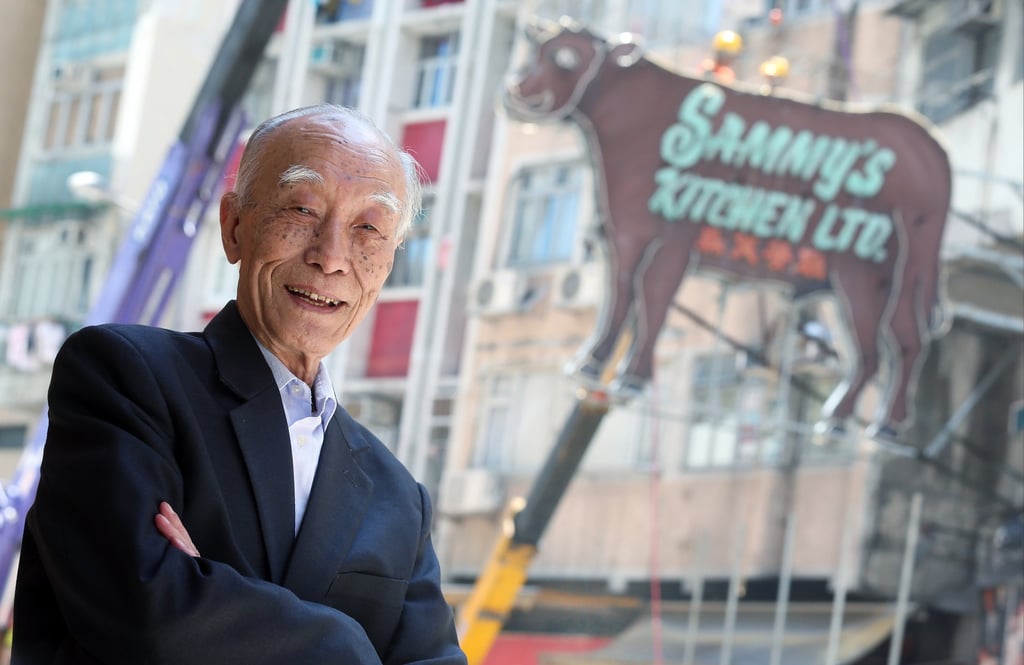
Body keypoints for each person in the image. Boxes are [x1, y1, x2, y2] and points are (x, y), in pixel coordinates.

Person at [11, 104, 468, 664]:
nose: (330, 258)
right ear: (234, 227)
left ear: (387, 266)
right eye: (301, 209)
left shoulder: (399, 499)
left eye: (368, 228)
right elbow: (145, 613)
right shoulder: (126, 377)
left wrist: (214, 601)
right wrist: (347, 643)